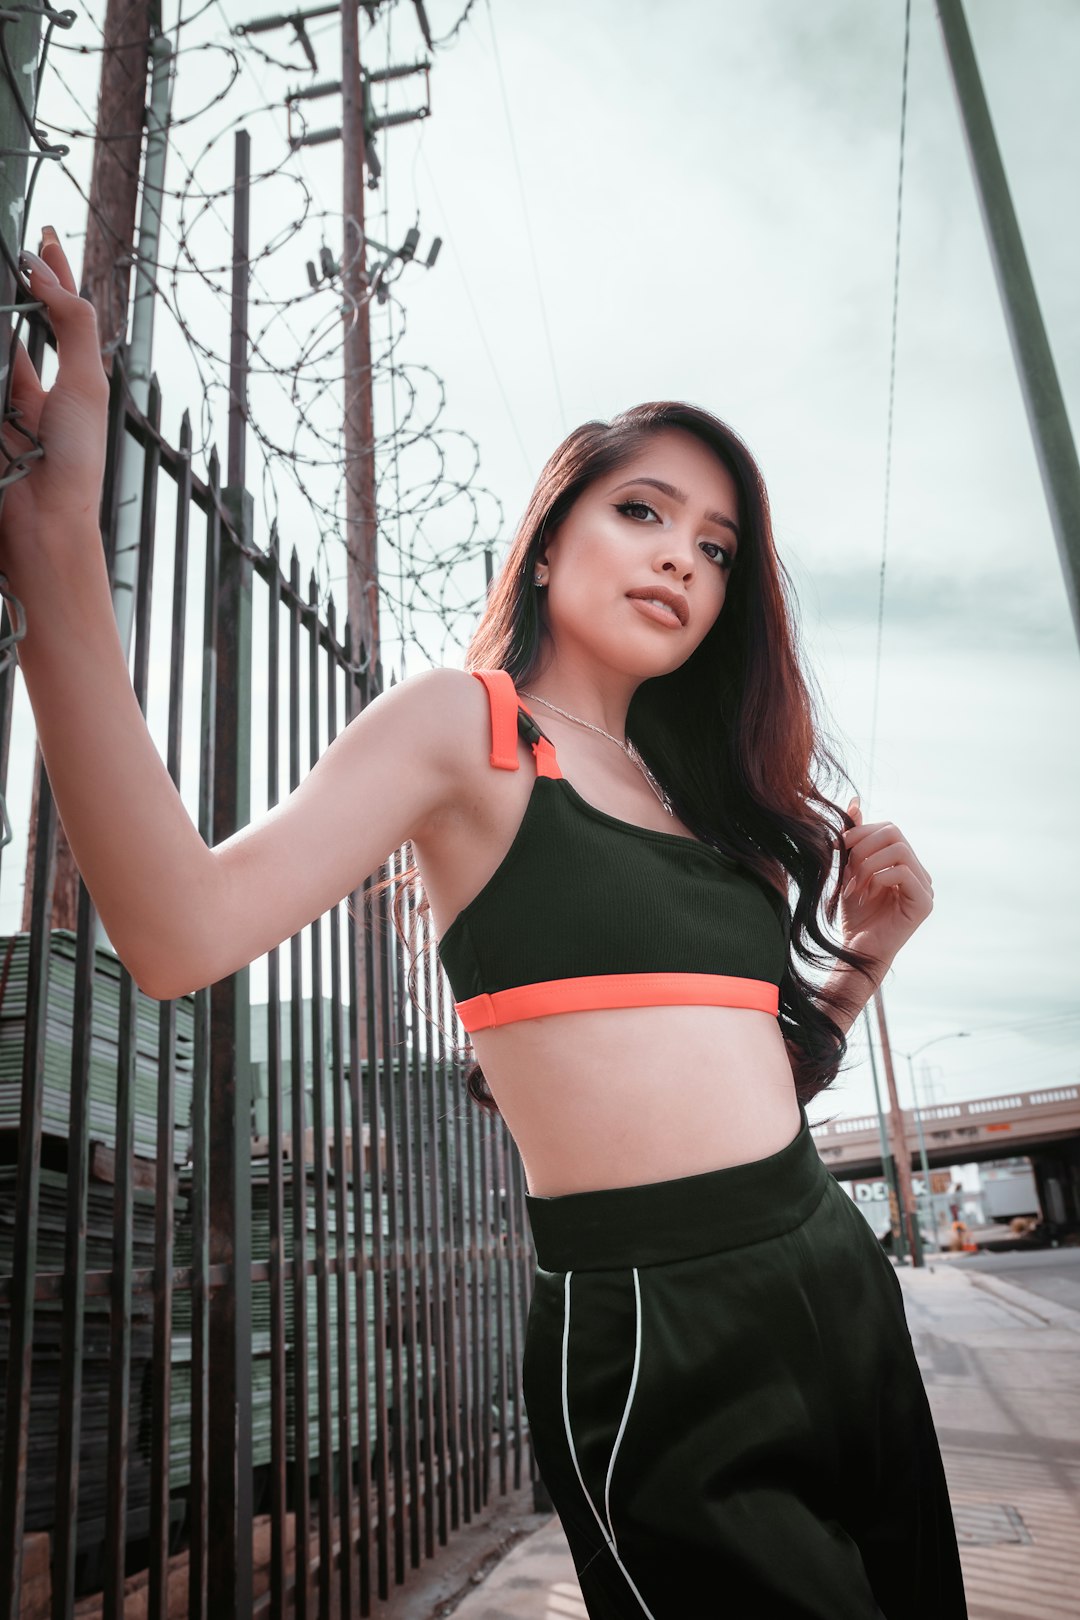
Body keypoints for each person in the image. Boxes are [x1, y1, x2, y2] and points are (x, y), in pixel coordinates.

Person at [4, 230, 967, 1619]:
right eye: (643, 512)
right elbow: (176, 929)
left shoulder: (702, 804)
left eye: (715, 546)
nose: (682, 562)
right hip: (656, 1330)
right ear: (557, 523)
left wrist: (876, 947)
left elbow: (760, 1080)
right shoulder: (470, 732)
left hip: (832, 1273)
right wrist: (52, 542)